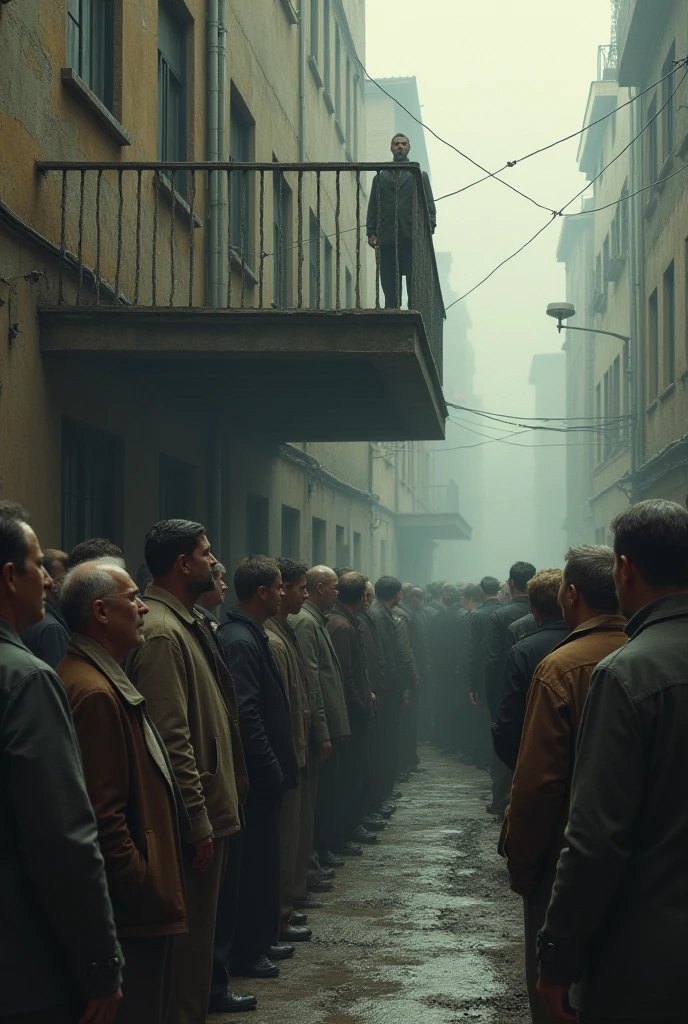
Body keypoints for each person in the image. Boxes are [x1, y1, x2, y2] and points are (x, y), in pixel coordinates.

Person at [537, 500, 688, 1024]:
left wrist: (557, 957)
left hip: (647, 959)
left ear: (625, 569)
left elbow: (596, 838)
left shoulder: (626, 674)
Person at [0, 502, 123, 1024]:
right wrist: (100, 964)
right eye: (38, 565)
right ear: (10, 575)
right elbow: (62, 838)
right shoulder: (27, 679)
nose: (51, 583)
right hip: (25, 964)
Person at [126, 519, 249, 1024]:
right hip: (188, 824)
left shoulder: (184, 621)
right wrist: (195, 819)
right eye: (205, 552)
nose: (214, 561)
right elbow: (171, 738)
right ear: (182, 564)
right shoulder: (159, 630)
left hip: (205, 813)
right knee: (186, 958)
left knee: (196, 954)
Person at [57, 559, 187, 1024]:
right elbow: (101, 813)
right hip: (131, 912)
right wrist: (141, 879)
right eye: (132, 599)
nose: (143, 609)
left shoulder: (97, 676)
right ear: (101, 612)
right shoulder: (93, 691)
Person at [504, 546, 626, 1024]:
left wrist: (522, 867)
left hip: (565, 858)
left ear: (572, 595)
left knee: (559, 999)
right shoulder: (653, 651)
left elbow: (538, 785)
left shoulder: (559, 667)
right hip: (650, 867)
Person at [217, 557, 299, 979]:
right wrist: (269, 768)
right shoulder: (241, 640)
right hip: (256, 780)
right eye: (280, 586)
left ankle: (258, 943)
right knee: (254, 868)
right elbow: (246, 715)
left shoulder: (250, 634)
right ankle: (248, 951)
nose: (284, 593)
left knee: (264, 862)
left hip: (263, 777)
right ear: (263, 592)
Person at [264, 558, 317, 941]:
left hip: (295, 749)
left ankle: (285, 909)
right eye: (293, 587)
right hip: (286, 754)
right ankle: (279, 916)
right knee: (284, 838)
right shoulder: (273, 636)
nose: (296, 593)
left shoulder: (285, 629)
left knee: (294, 834)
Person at [291, 566, 352, 864]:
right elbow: (312, 679)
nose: (337, 592)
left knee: (327, 793)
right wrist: (322, 730)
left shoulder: (316, 620)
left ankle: (320, 851)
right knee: (321, 796)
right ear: (318, 589)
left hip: (328, 720)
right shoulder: (305, 622)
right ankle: (317, 854)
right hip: (320, 723)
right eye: (333, 587)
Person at [492, 569, 570, 772]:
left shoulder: (522, 650)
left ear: (533, 609)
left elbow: (510, 713)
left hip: (535, 753)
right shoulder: (594, 643)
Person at [483, 562, 537, 818]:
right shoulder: (547, 611)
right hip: (539, 687)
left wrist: (491, 695)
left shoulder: (501, 616)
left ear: (511, 583)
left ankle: (502, 800)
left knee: (505, 739)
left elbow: (493, 659)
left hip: (508, 688)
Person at [327, 572, 376, 848]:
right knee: (350, 778)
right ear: (360, 597)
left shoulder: (345, 620)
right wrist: (361, 708)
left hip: (353, 714)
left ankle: (348, 829)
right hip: (351, 717)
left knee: (356, 775)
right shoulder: (343, 625)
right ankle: (341, 835)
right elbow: (346, 678)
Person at [366, 133, 436, 308]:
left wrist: (429, 229)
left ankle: (414, 309)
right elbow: (373, 205)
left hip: (411, 236)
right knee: (389, 280)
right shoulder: (380, 177)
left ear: (409, 147)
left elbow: (429, 206)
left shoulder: (418, 175)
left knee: (414, 279)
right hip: (387, 236)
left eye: (403, 144)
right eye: (396, 144)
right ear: (391, 147)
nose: (400, 147)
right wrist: (371, 232)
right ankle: (392, 310)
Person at [369, 576, 410, 801]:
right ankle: (382, 792)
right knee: (385, 742)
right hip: (385, 690)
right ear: (397, 594)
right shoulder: (379, 616)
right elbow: (387, 656)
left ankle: (385, 790)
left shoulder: (383, 615)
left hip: (388, 689)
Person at [467, 576, 502, 770]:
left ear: (481, 590)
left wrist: (472, 684)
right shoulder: (505, 612)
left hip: (483, 673)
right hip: (505, 673)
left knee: (484, 720)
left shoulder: (477, 615)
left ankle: (484, 757)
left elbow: (474, 651)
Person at [21, 548, 70, 667]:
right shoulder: (52, 628)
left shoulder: (30, 616)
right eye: (64, 579)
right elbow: (58, 680)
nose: (69, 585)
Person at [196, 561, 228, 630]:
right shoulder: (196, 623)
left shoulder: (207, 622)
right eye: (220, 579)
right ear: (208, 582)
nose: (225, 587)